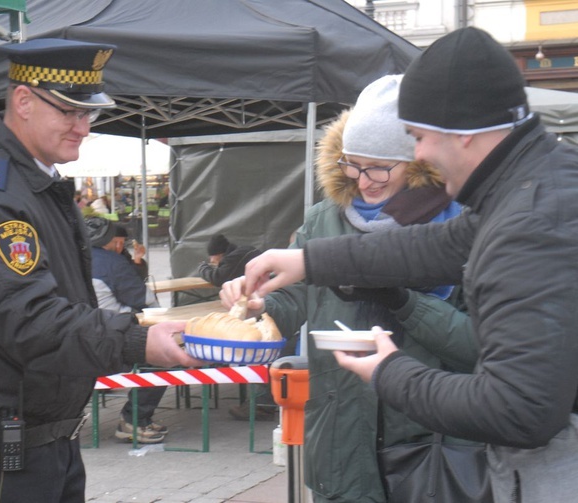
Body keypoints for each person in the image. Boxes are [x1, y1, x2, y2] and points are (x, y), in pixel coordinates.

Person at [242, 28, 578, 503]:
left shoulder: (533, 220)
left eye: (419, 137)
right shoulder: (531, 182)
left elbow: (519, 411)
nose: (418, 154)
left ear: (461, 133)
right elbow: (438, 245)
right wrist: (307, 259)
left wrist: (389, 370)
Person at [0, 38, 201, 502]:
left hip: (43, 434)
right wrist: (136, 339)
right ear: (24, 101)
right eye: (69, 112)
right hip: (12, 442)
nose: (83, 127)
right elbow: (31, 322)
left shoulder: (28, 182)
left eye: (88, 114)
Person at [221, 74, 477, 502]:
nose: (363, 180)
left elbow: (476, 347)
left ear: (415, 163)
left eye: (379, 166)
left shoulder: (459, 224)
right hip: (341, 445)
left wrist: (401, 299)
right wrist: (257, 306)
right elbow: (293, 301)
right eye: (352, 163)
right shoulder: (324, 219)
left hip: (434, 448)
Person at [86, 217, 167, 443]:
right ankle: (134, 420)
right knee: (163, 356)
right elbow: (140, 298)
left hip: (76, 335)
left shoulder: (70, 258)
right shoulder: (112, 262)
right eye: (117, 243)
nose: (120, 247)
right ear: (108, 242)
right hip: (113, 333)